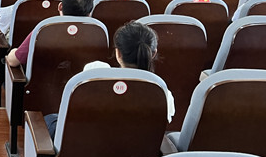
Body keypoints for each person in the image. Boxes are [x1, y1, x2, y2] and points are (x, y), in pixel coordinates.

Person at [43, 21, 175, 137]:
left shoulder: (94, 74)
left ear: (118, 53)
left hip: (88, 148)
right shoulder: (162, 92)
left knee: (50, 120)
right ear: (153, 53)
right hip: (136, 154)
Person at [6, 0, 94, 68]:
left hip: (43, 80)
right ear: (89, 14)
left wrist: (14, 51)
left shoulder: (44, 30)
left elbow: (13, 61)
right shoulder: (96, 33)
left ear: (60, 6)